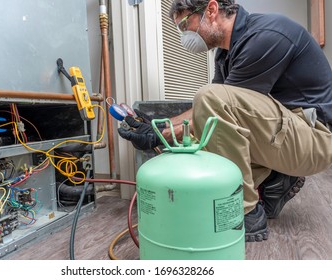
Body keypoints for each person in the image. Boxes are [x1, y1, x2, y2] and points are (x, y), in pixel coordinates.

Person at [118, 0, 332, 242]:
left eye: (185, 24)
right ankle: (274, 181)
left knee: (209, 98)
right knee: (212, 126)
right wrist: (159, 126)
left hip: (316, 140)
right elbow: (211, 117)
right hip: (291, 133)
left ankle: (246, 213)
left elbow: (213, 105)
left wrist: (160, 133)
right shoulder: (225, 53)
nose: (183, 35)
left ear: (211, 10)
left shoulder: (265, 36)